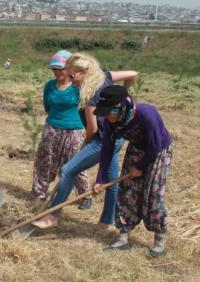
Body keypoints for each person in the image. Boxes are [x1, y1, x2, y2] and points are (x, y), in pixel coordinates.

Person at [33, 52, 138, 230]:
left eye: (72, 75)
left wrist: (84, 145)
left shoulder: (91, 99)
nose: (70, 78)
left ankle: (52, 216)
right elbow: (133, 74)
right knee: (111, 180)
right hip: (115, 137)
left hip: (103, 141)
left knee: (67, 170)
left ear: (83, 73)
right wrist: (123, 94)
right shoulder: (106, 77)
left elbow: (92, 130)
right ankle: (106, 221)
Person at [92, 85, 172, 258]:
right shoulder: (111, 121)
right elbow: (107, 149)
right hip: (137, 149)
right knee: (127, 191)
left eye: (109, 112)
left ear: (121, 107)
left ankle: (159, 241)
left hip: (158, 151)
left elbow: (155, 146)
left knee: (153, 194)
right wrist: (100, 179)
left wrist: (140, 166)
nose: (106, 116)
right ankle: (123, 238)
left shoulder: (146, 114)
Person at [30, 50, 90, 209]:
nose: (57, 72)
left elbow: (86, 109)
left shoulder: (79, 87)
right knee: (44, 161)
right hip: (52, 129)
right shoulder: (49, 86)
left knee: (75, 164)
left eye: (61, 69)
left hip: (74, 131)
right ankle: (39, 193)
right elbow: (48, 107)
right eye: (54, 69)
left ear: (70, 69)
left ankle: (85, 196)